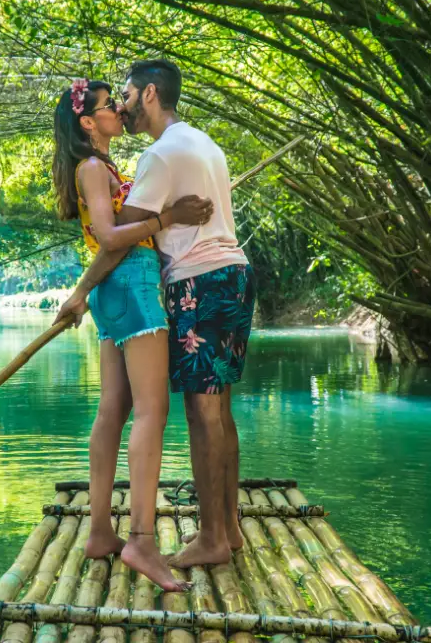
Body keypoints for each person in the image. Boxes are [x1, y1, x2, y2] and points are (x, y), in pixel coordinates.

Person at [57, 61, 255, 568]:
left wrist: (82, 291)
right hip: (229, 274)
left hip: (198, 281)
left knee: (199, 412)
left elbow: (119, 236)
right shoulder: (201, 142)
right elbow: (116, 232)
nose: (120, 106)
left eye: (123, 96)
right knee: (217, 410)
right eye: (110, 102)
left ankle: (211, 538)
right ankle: (225, 529)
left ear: (148, 95)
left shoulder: (158, 155)